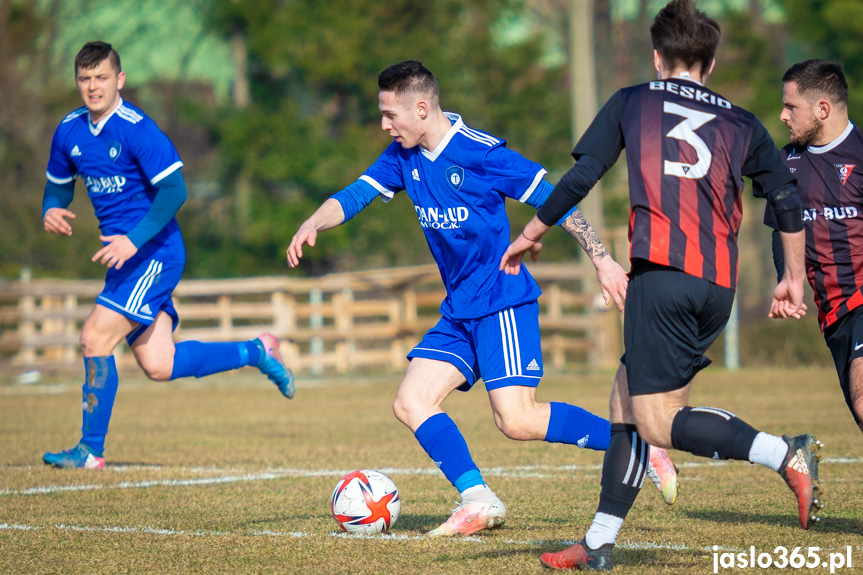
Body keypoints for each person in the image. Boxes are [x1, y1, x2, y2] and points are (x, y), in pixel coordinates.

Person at [286, 59, 679, 538]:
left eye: (391, 115)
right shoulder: (402, 156)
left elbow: (556, 199)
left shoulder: (481, 154)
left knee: (516, 420)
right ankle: (478, 499)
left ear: (423, 108)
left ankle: (638, 444)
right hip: (459, 310)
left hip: (501, 302)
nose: (385, 125)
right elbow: (354, 195)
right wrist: (312, 222)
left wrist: (601, 259)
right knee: (411, 400)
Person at [501, 0, 823, 569]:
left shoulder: (633, 101)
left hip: (661, 279)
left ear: (657, 56)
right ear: (711, 63)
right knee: (626, 398)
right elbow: (787, 200)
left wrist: (531, 230)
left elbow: (581, 175)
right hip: (715, 289)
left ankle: (784, 453)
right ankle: (599, 543)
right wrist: (791, 278)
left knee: (657, 423)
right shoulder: (744, 122)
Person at [41, 41, 295, 470]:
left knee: (94, 337)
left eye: (101, 77)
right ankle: (257, 350)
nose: (92, 86)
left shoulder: (138, 129)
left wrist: (133, 241)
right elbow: (58, 182)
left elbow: (175, 190)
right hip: (126, 259)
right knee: (160, 364)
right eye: (84, 79)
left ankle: (90, 450)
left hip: (154, 253)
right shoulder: (70, 130)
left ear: (119, 80)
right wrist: (51, 205)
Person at [766, 59, 863, 435]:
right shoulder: (783, 164)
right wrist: (788, 278)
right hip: (833, 315)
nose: (782, 115)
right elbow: (780, 229)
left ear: (823, 109)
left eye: (791, 106)